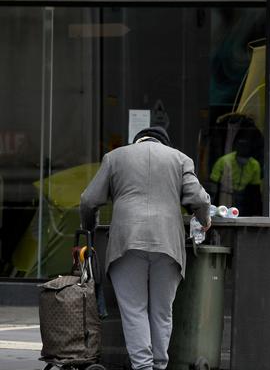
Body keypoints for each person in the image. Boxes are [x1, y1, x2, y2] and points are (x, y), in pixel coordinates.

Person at [80, 126, 211, 370]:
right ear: (165, 143)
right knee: (162, 312)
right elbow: (200, 199)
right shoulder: (181, 159)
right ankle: (159, 365)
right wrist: (203, 220)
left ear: (137, 141)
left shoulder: (115, 157)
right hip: (168, 244)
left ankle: (143, 367)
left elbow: (88, 200)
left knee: (134, 310)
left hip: (126, 243)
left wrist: (89, 226)